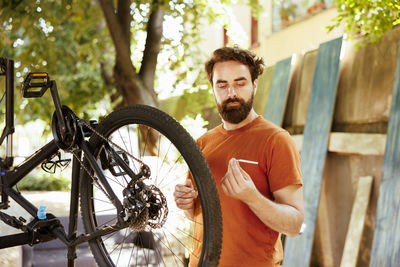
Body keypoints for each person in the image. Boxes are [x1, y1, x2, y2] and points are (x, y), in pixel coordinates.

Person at [174, 46, 304, 267]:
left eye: (240, 83)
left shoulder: (276, 140)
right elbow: (195, 215)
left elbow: (294, 225)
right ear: (213, 89)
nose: (231, 92)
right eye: (222, 85)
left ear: (254, 85)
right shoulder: (202, 144)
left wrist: (251, 197)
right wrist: (186, 204)